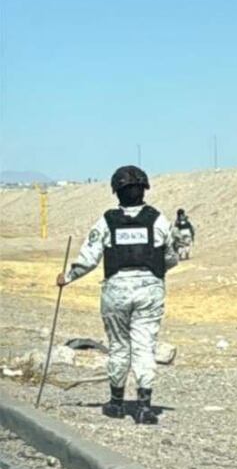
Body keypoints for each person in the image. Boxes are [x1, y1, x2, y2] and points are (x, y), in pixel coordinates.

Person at [55, 165, 178, 424]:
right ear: (144, 189)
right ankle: (144, 407)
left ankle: (117, 403)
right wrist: (152, 271)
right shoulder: (158, 219)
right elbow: (171, 256)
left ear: (116, 192)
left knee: (119, 347)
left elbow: (88, 259)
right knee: (145, 347)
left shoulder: (107, 221)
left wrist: (67, 277)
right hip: (150, 290)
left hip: (116, 291)